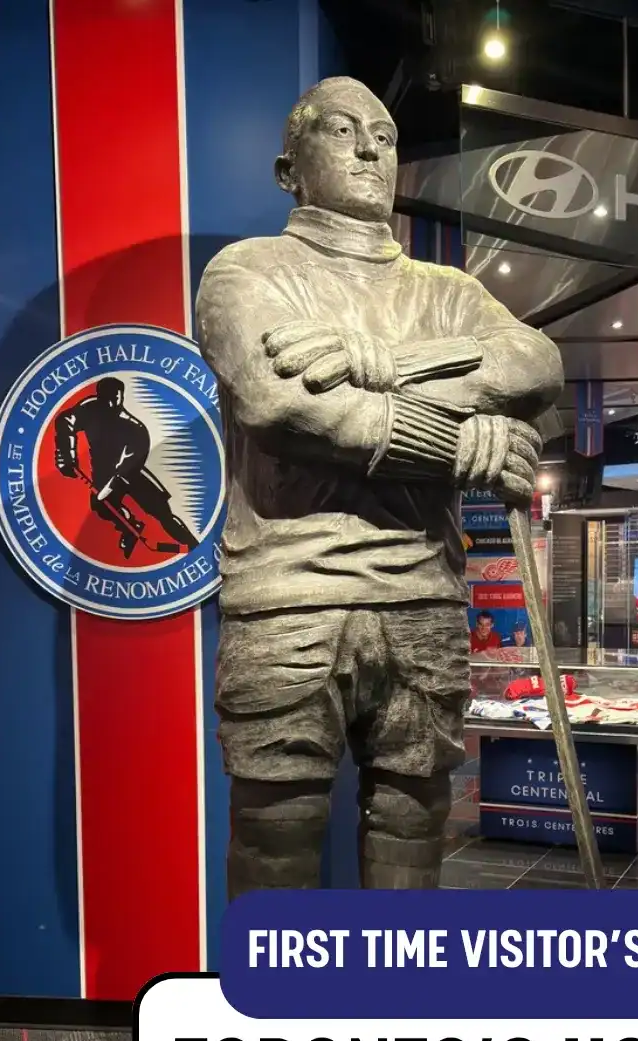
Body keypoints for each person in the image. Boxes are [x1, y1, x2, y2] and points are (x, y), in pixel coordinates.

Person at [195, 76, 562, 894]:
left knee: (414, 815)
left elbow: (538, 365)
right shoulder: (245, 272)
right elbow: (280, 403)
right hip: (289, 596)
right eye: (341, 130)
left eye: (385, 136)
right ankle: (274, 1020)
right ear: (290, 169)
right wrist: (460, 444)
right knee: (274, 828)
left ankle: (393, 1006)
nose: (368, 148)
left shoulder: (450, 293)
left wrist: (388, 363)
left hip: (423, 596)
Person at [54, 377, 199, 557]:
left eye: (116, 397)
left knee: (162, 512)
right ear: (100, 396)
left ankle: (194, 545)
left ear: (121, 396)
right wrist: (67, 454)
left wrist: (104, 492)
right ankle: (130, 526)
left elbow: (124, 473)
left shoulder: (136, 429)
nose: (113, 402)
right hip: (102, 473)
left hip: (132, 473)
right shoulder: (90, 408)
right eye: (108, 397)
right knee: (101, 506)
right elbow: (65, 420)